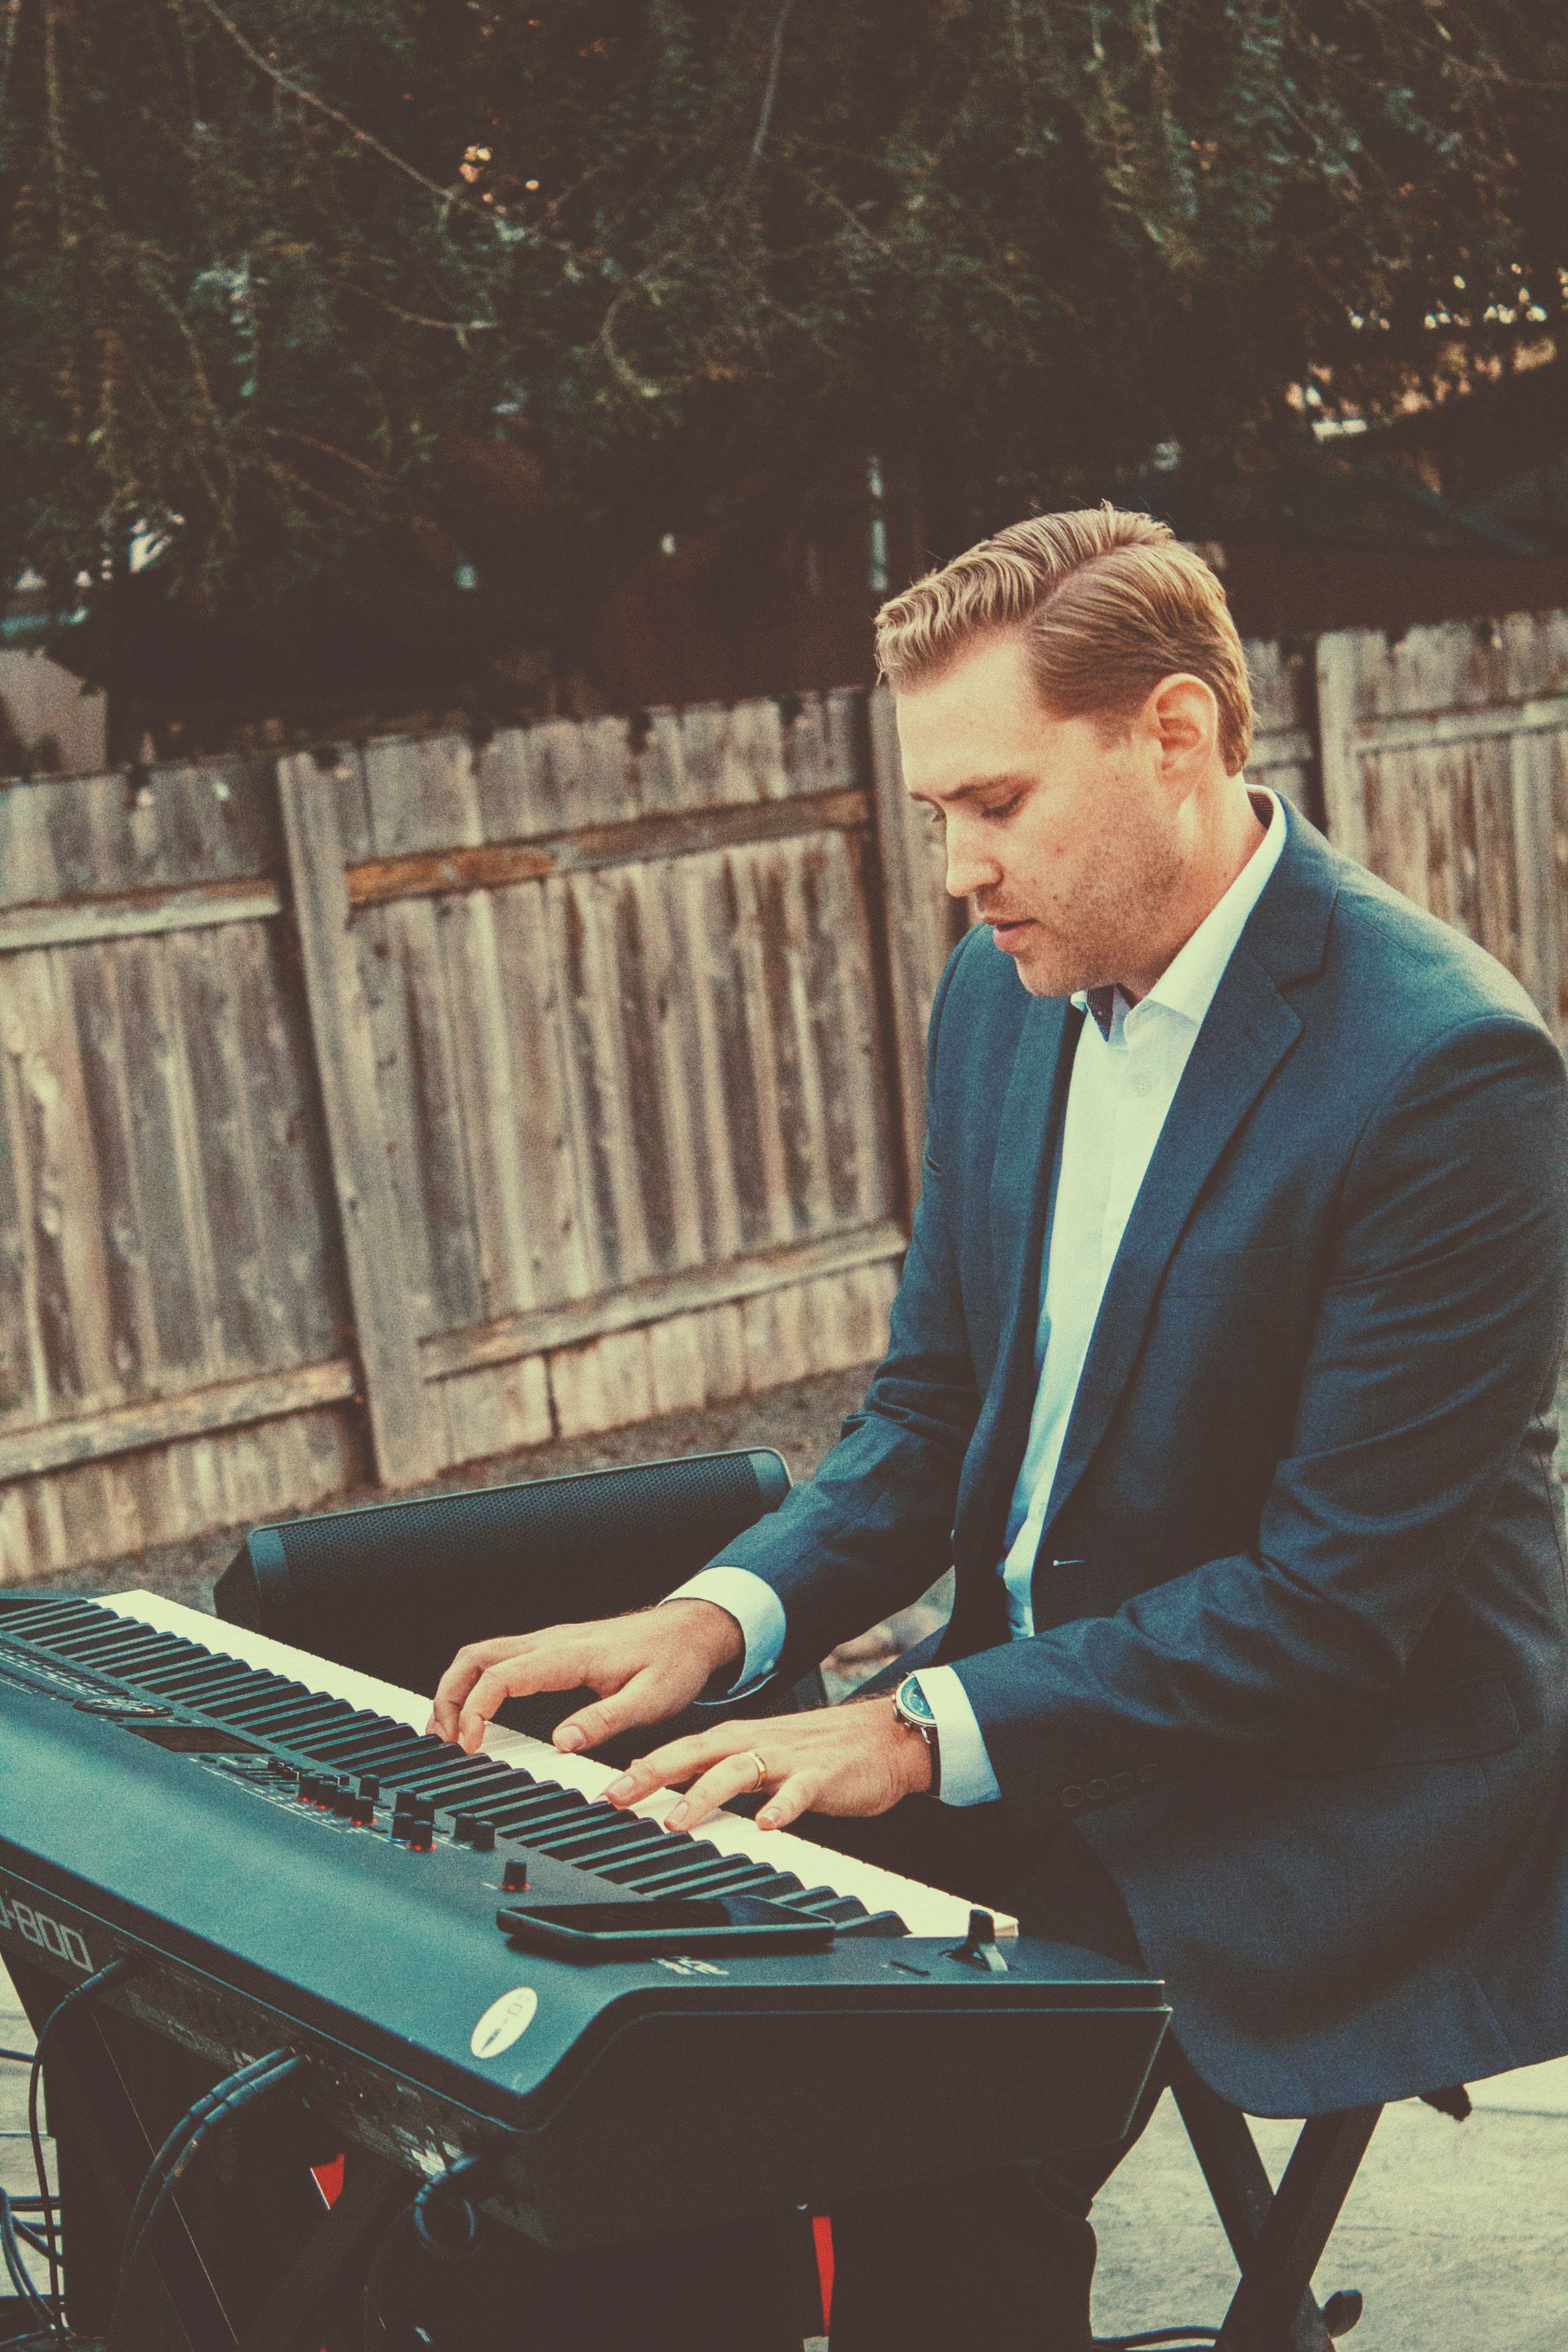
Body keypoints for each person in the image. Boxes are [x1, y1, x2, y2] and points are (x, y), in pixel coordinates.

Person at [430, 507, 1568, 2350]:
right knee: (630, 2023)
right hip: (1048, 1717)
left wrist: (910, 1729)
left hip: (1339, 1774)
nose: (957, 866)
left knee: (926, 2109)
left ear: (1178, 741)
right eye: (937, 812)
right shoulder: (1002, 993)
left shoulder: (1448, 1076)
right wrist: (716, 1618)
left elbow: (1332, 1610)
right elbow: (930, 1411)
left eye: (998, 803)